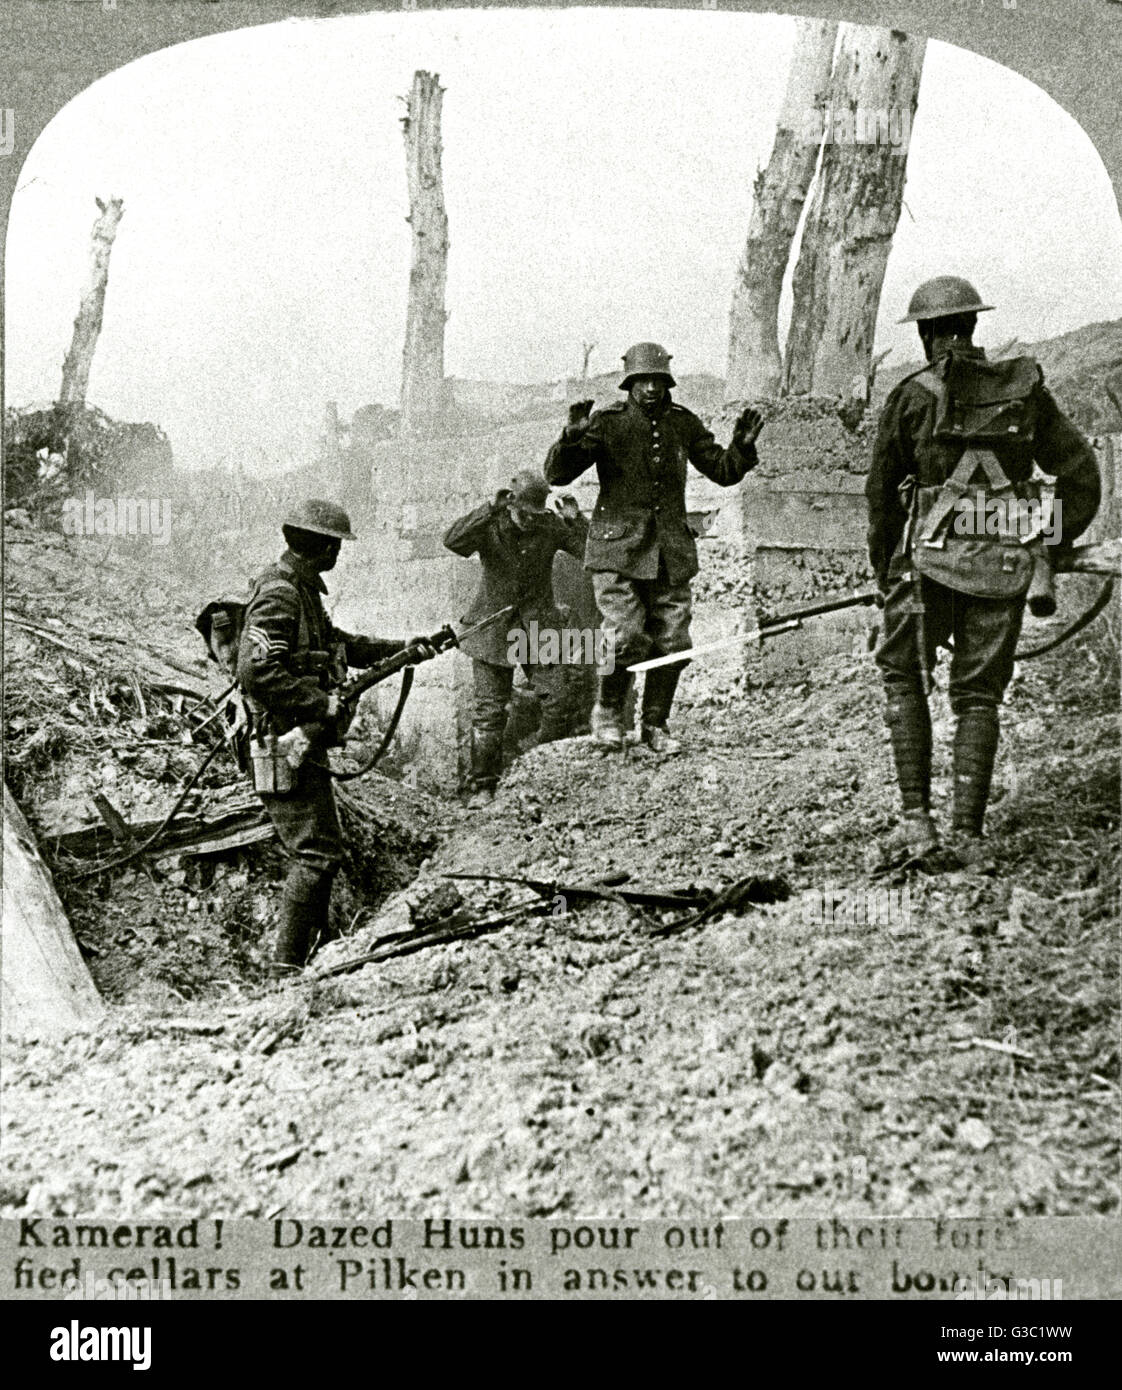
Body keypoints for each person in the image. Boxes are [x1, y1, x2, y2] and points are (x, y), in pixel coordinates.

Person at [866, 276, 1101, 863]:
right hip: (1003, 568)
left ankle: (917, 824)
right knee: (979, 695)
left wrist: (883, 572)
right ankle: (968, 834)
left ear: (925, 334)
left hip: (924, 570)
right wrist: (1037, 539)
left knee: (902, 676)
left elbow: (877, 499)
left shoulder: (911, 396)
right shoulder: (1023, 391)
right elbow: (1082, 479)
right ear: (972, 327)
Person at [237, 499, 435, 974]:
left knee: (323, 850)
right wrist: (319, 704)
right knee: (315, 853)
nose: (338, 554)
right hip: (284, 744)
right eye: (335, 545)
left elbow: (340, 645)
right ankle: (286, 970)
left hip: (300, 744)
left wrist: (401, 651)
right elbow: (254, 670)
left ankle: (319, 955)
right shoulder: (281, 594)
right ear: (321, 546)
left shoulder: (302, 592)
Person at [544, 341, 764, 751]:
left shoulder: (683, 423)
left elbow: (722, 470)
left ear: (668, 383)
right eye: (642, 381)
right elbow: (558, 475)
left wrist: (741, 448)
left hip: (670, 552)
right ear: (629, 382)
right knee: (625, 636)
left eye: (657, 381)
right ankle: (608, 712)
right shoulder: (607, 423)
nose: (650, 389)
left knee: (674, 642)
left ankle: (656, 725)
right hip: (617, 553)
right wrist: (571, 440)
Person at [443, 470, 589, 806]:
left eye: (534, 515)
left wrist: (575, 519)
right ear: (511, 503)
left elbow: (588, 553)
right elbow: (452, 541)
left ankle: (540, 773)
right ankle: (483, 786)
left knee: (558, 700)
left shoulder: (549, 525)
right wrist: (486, 508)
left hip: (539, 627)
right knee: (490, 712)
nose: (527, 521)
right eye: (522, 513)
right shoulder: (490, 525)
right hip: (494, 630)